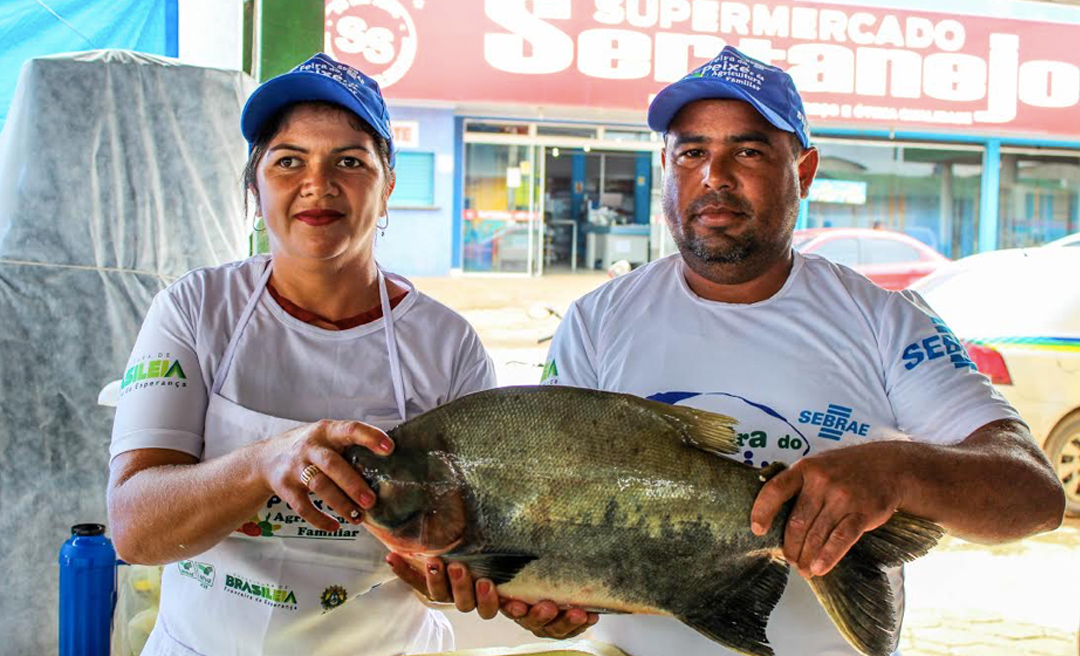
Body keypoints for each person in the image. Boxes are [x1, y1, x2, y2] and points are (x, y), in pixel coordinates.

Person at [535, 46, 1065, 655]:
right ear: (665, 168)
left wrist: (897, 472)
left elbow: (1033, 495)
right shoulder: (597, 320)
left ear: (804, 172)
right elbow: (553, 498)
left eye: (749, 151)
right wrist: (544, 594)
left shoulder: (884, 320)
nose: (714, 176)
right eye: (691, 153)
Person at [107, 53, 498, 656]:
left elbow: (472, 547)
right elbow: (135, 529)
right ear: (255, 185)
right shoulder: (195, 308)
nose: (319, 184)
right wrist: (266, 462)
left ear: (387, 184)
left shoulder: (448, 347)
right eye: (289, 161)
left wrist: (453, 579)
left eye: (350, 161)